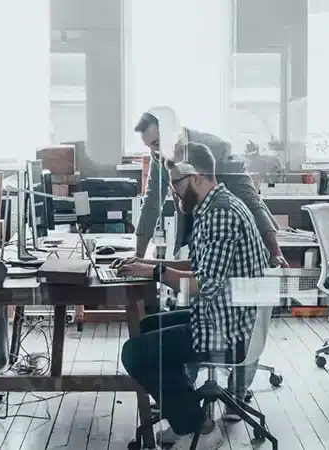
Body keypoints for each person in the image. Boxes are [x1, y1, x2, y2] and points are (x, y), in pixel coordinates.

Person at [116, 144, 268, 450]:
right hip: (225, 314)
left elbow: (204, 285)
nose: (173, 191)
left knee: (135, 352)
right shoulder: (216, 205)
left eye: (176, 183)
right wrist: (147, 263)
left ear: (196, 177)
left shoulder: (221, 214)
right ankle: (184, 416)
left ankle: (198, 428)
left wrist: (154, 273)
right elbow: (200, 266)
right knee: (147, 327)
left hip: (229, 329)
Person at [133, 107, 286, 268]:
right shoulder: (159, 155)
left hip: (229, 234)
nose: (154, 152)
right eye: (149, 146)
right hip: (195, 234)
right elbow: (151, 203)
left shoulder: (219, 149)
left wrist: (275, 252)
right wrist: (138, 257)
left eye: (156, 144)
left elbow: (249, 199)